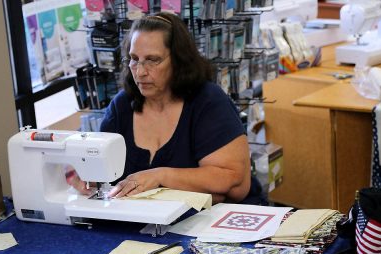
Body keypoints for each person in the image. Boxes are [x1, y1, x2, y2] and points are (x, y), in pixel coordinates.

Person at [68, 12, 262, 205]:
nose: (140, 72)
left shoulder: (208, 102)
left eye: (153, 60)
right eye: (134, 59)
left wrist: (160, 176)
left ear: (179, 61)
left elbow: (232, 182)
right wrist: (88, 175)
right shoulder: (122, 107)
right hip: (149, 223)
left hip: (217, 222)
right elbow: (103, 170)